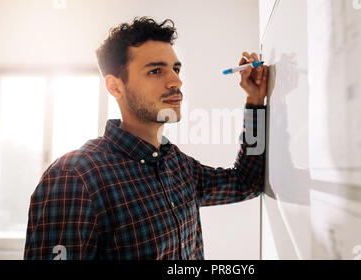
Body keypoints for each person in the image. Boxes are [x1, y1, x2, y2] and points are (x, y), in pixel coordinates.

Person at [24, 17, 268, 260]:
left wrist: (255, 101)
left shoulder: (177, 164)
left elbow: (247, 182)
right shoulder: (75, 176)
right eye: (155, 71)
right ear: (115, 87)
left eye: (176, 69)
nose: (176, 81)